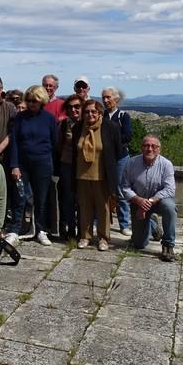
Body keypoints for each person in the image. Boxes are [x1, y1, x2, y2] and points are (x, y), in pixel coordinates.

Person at [6, 85, 56, 247]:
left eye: (34, 101)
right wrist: (14, 165)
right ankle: (14, 230)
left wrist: (53, 165)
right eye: (28, 100)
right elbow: (14, 142)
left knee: (41, 199)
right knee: (20, 197)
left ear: (41, 101)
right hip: (23, 165)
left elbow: (54, 142)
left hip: (43, 164)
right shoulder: (19, 118)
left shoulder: (49, 119)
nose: (31, 104)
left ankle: (41, 230)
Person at [71, 99, 122, 251]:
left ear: (100, 113)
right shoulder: (78, 127)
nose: (90, 114)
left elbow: (118, 151)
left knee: (103, 208)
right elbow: (74, 150)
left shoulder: (110, 127)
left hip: (102, 175)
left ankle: (103, 238)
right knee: (84, 207)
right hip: (82, 175)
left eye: (93, 111)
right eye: (87, 112)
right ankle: (85, 236)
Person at [120, 135, 177, 262]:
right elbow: (124, 187)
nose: (149, 149)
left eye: (153, 146)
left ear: (159, 149)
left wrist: (150, 201)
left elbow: (170, 189)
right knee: (139, 244)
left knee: (170, 207)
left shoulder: (166, 164)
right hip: (138, 201)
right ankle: (153, 224)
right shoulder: (131, 163)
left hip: (159, 201)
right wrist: (139, 200)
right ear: (141, 148)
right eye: (146, 145)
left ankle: (168, 245)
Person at [102, 86, 133, 237]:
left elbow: (127, 136)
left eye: (108, 97)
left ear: (116, 99)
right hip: (104, 158)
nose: (105, 100)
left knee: (121, 190)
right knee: (102, 190)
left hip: (120, 158)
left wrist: (111, 142)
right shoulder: (101, 116)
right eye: (104, 97)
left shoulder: (123, 116)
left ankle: (124, 224)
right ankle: (100, 221)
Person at [56, 95, 83, 241]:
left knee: (83, 200)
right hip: (67, 165)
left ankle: (83, 230)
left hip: (84, 167)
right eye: (70, 107)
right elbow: (58, 145)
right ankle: (70, 229)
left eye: (77, 106)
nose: (73, 110)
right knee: (68, 199)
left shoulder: (87, 123)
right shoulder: (63, 124)